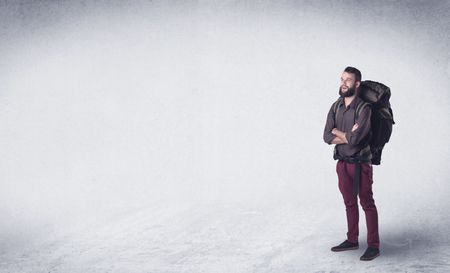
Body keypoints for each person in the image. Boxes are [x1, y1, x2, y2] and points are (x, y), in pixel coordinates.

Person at [323, 66, 380, 261]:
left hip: (360, 164)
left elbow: (356, 141)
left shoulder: (364, 108)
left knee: (367, 203)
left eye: (348, 80)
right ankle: (352, 240)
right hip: (342, 163)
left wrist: (337, 132)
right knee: (349, 202)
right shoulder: (335, 106)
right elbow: (325, 136)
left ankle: (374, 245)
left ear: (357, 84)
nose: (343, 83)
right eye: (342, 79)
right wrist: (347, 134)